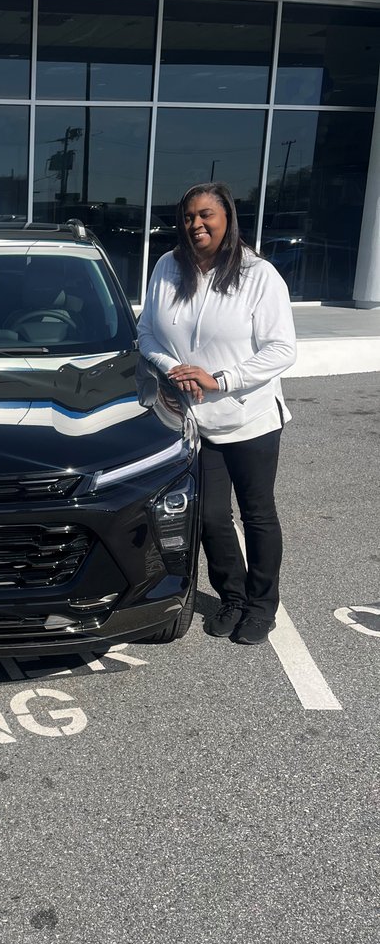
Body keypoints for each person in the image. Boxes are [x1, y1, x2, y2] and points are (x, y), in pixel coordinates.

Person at [137, 182, 297, 646]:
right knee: (207, 517)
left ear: (227, 217)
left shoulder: (258, 275)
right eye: (189, 216)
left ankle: (262, 606)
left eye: (206, 214)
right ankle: (232, 596)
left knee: (257, 514)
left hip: (250, 419)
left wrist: (221, 380)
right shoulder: (168, 267)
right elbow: (146, 332)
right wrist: (173, 369)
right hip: (193, 418)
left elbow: (283, 349)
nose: (196, 224)